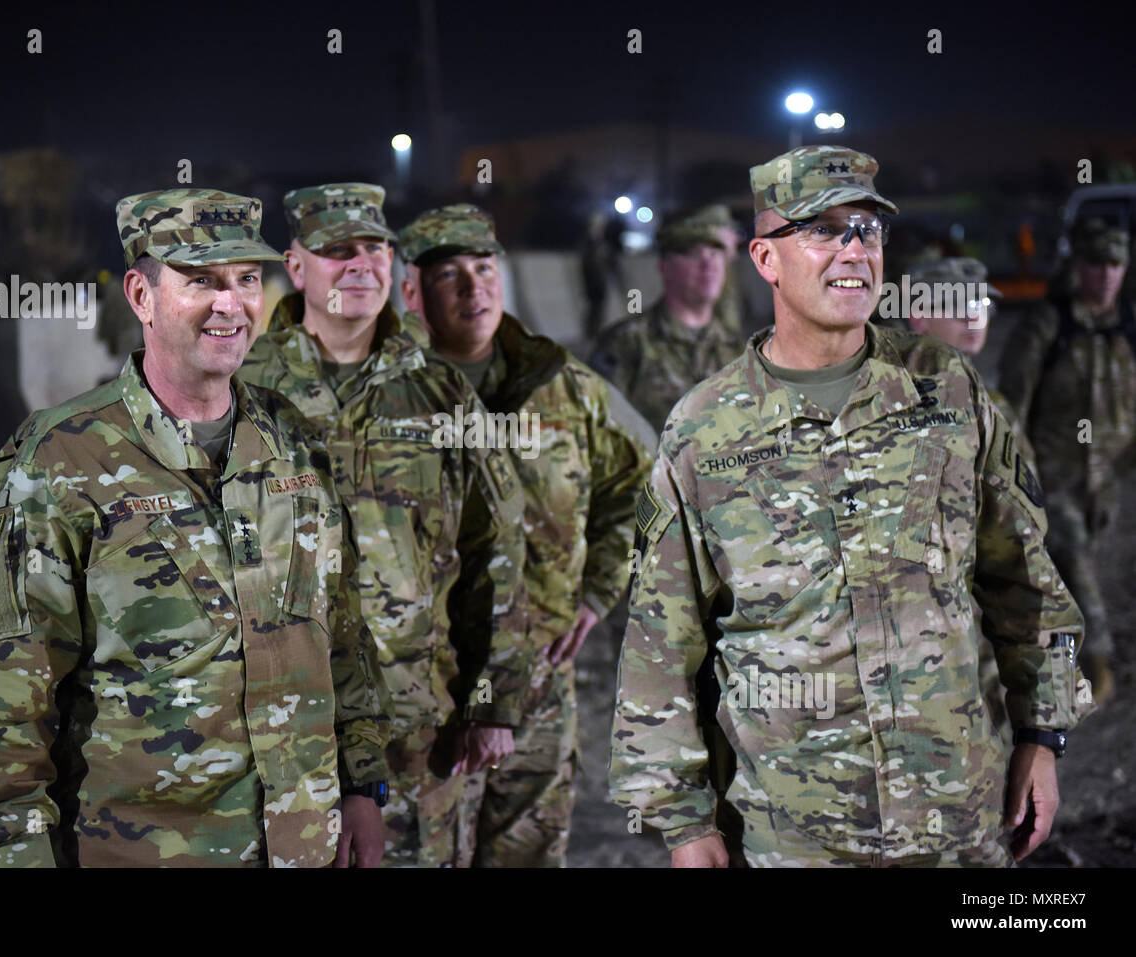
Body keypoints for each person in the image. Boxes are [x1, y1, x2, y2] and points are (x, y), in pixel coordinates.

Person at [609, 146, 1095, 867]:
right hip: (795, 836)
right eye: (823, 229)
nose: (854, 250)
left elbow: (1025, 581)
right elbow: (661, 639)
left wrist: (1042, 735)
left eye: (867, 229)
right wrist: (683, 823)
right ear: (765, 259)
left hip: (956, 819)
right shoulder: (705, 429)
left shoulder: (947, 390)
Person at [0, 188, 391, 867]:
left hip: (306, 845)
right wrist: (21, 855)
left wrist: (362, 784)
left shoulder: (293, 442)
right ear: (142, 295)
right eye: (201, 281)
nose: (230, 303)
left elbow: (344, 630)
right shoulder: (61, 462)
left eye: (245, 279)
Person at [238, 183, 531, 867]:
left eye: (374, 247)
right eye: (337, 250)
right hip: (276, 721)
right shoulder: (244, 387)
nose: (360, 264)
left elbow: (498, 547)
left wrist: (493, 699)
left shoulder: (439, 390)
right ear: (297, 265)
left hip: (414, 723)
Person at [398, 203, 652, 866]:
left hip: (541, 680)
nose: (473, 288)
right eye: (449, 274)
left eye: (484, 268)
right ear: (414, 291)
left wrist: (599, 590)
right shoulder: (391, 398)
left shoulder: (563, 386)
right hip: (427, 692)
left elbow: (643, 481)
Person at [998, 218, 1133, 706]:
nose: (1105, 275)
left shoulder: (1128, 326)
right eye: (1095, 264)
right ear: (1078, 266)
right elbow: (1012, 403)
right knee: (1075, 560)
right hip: (1053, 473)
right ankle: (1098, 662)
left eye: (1115, 264)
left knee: (1084, 568)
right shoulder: (1048, 326)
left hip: (1109, 477)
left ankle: (1055, 652)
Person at [906, 256, 1031, 741]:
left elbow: (1024, 515)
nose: (972, 316)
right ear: (917, 315)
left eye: (980, 304)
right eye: (957, 305)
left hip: (989, 605)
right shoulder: (884, 403)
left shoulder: (992, 406)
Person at [589, 203, 746, 433]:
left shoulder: (738, 351)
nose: (708, 265)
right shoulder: (627, 344)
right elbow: (595, 431)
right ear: (665, 267)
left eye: (715, 253)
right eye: (693, 254)